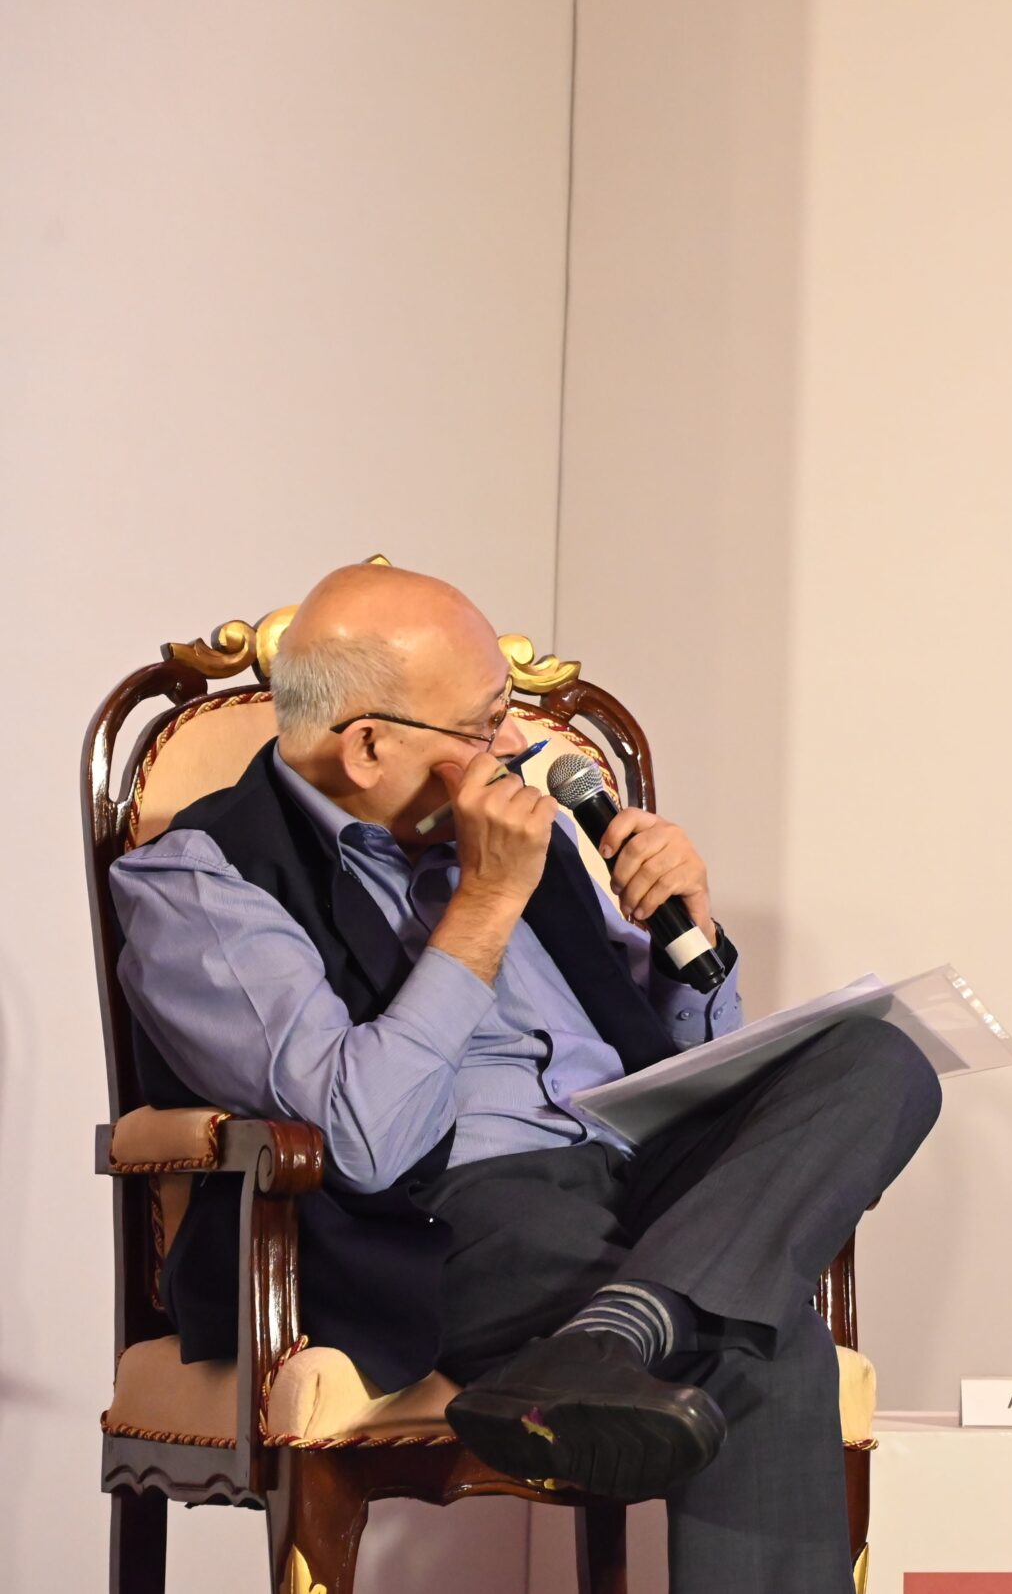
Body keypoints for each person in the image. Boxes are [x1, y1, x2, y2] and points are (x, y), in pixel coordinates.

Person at [111, 563, 941, 1594]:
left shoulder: (518, 826)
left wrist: (683, 935)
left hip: (639, 1173)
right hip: (450, 1213)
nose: (516, 743)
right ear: (367, 747)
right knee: (764, 1346)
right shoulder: (199, 879)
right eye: (483, 723)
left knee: (881, 1054)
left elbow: (667, 1057)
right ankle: (642, 1319)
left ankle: (614, 1329)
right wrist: (486, 901)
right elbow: (363, 1141)